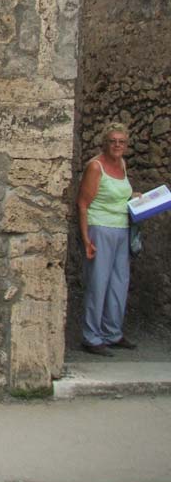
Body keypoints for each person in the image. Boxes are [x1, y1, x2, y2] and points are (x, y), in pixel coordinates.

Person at [77, 122, 140, 356]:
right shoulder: (96, 167)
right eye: (113, 141)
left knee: (119, 283)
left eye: (121, 141)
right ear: (105, 142)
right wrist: (86, 239)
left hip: (121, 229)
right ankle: (91, 337)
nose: (117, 145)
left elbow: (118, 195)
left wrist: (135, 197)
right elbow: (82, 204)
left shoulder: (122, 164)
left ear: (126, 144)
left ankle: (112, 332)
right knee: (98, 283)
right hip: (100, 228)